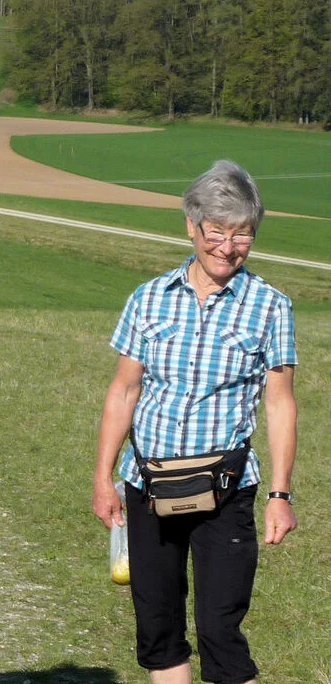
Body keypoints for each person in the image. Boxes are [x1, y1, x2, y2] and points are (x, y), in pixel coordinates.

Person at [92, 160, 297, 684]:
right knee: (158, 632)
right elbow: (124, 390)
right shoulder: (148, 298)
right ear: (192, 226)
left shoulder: (271, 307)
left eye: (243, 235)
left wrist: (280, 494)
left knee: (221, 633)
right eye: (217, 232)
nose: (228, 247)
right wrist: (103, 477)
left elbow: (279, 403)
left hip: (226, 491)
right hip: (147, 485)